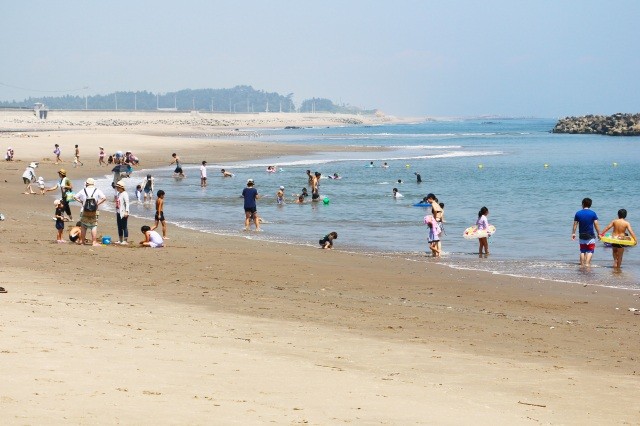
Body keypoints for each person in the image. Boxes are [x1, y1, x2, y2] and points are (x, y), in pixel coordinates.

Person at [73, 177, 107, 246]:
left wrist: (82, 202)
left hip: (84, 210)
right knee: (93, 226)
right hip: (94, 211)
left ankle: (82, 241)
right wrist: (97, 204)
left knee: (83, 226)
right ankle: (94, 242)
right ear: (93, 184)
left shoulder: (83, 190)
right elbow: (104, 198)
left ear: (87, 184)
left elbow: (75, 197)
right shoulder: (97, 190)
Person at [572, 197, 601, 267]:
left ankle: (582, 264)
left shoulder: (578, 213)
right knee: (590, 251)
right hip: (590, 235)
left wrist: (573, 233)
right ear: (590, 205)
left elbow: (575, 224)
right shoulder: (593, 213)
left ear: (582, 204)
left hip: (581, 234)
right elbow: (596, 224)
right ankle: (587, 263)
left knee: (582, 251)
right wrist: (599, 233)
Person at [114, 180, 130, 245]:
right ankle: (120, 240)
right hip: (118, 212)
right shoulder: (118, 193)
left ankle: (125, 240)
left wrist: (127, 212)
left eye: (118, 187)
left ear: (121, 187)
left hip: (123, 213)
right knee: (119, 226)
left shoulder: (125, 194)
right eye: (116, 187)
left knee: (124, 226)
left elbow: (127, 203)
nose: (117, 188)